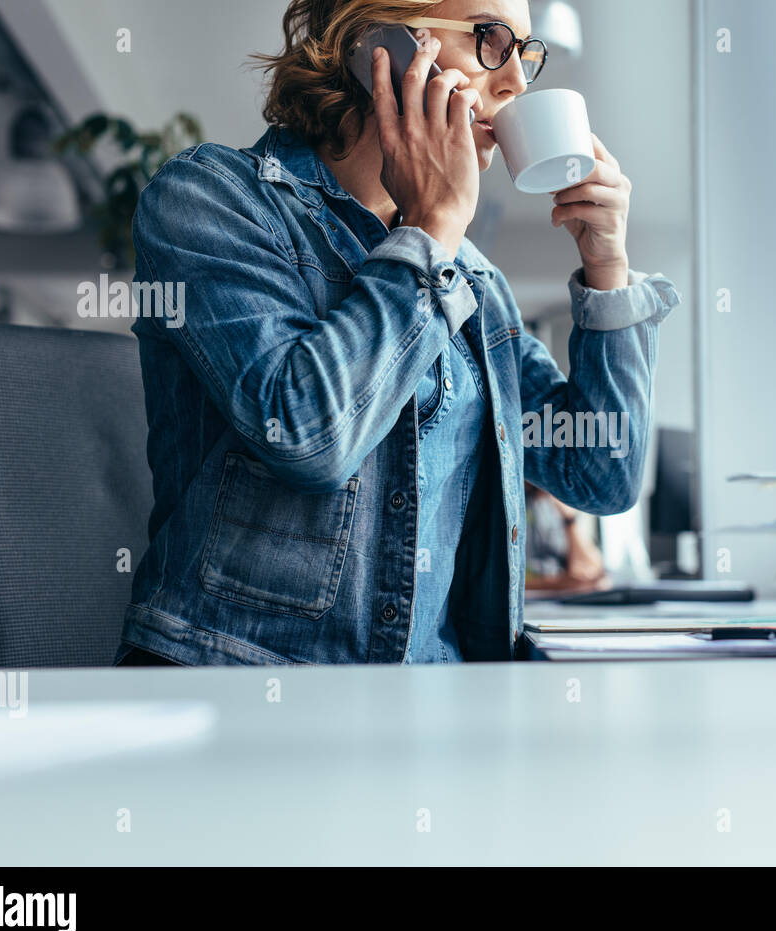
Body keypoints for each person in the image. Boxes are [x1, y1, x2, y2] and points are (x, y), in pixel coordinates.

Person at [114, 0, 679, 666]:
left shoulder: (473, 280)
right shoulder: (209, 200)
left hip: (434, 710)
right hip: (244, 693)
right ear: (379, 45)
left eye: (526, 55)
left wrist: (607, 265)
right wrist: (435, 226)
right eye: (491, 41)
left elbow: (600, 474)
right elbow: (308, 436)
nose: (517, 85)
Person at [524, 483, 610, 593]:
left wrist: (569, 520)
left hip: (559, 596)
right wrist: (558, 584)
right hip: (532, 598)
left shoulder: (555, 505)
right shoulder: (512, 502)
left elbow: (593, 570)